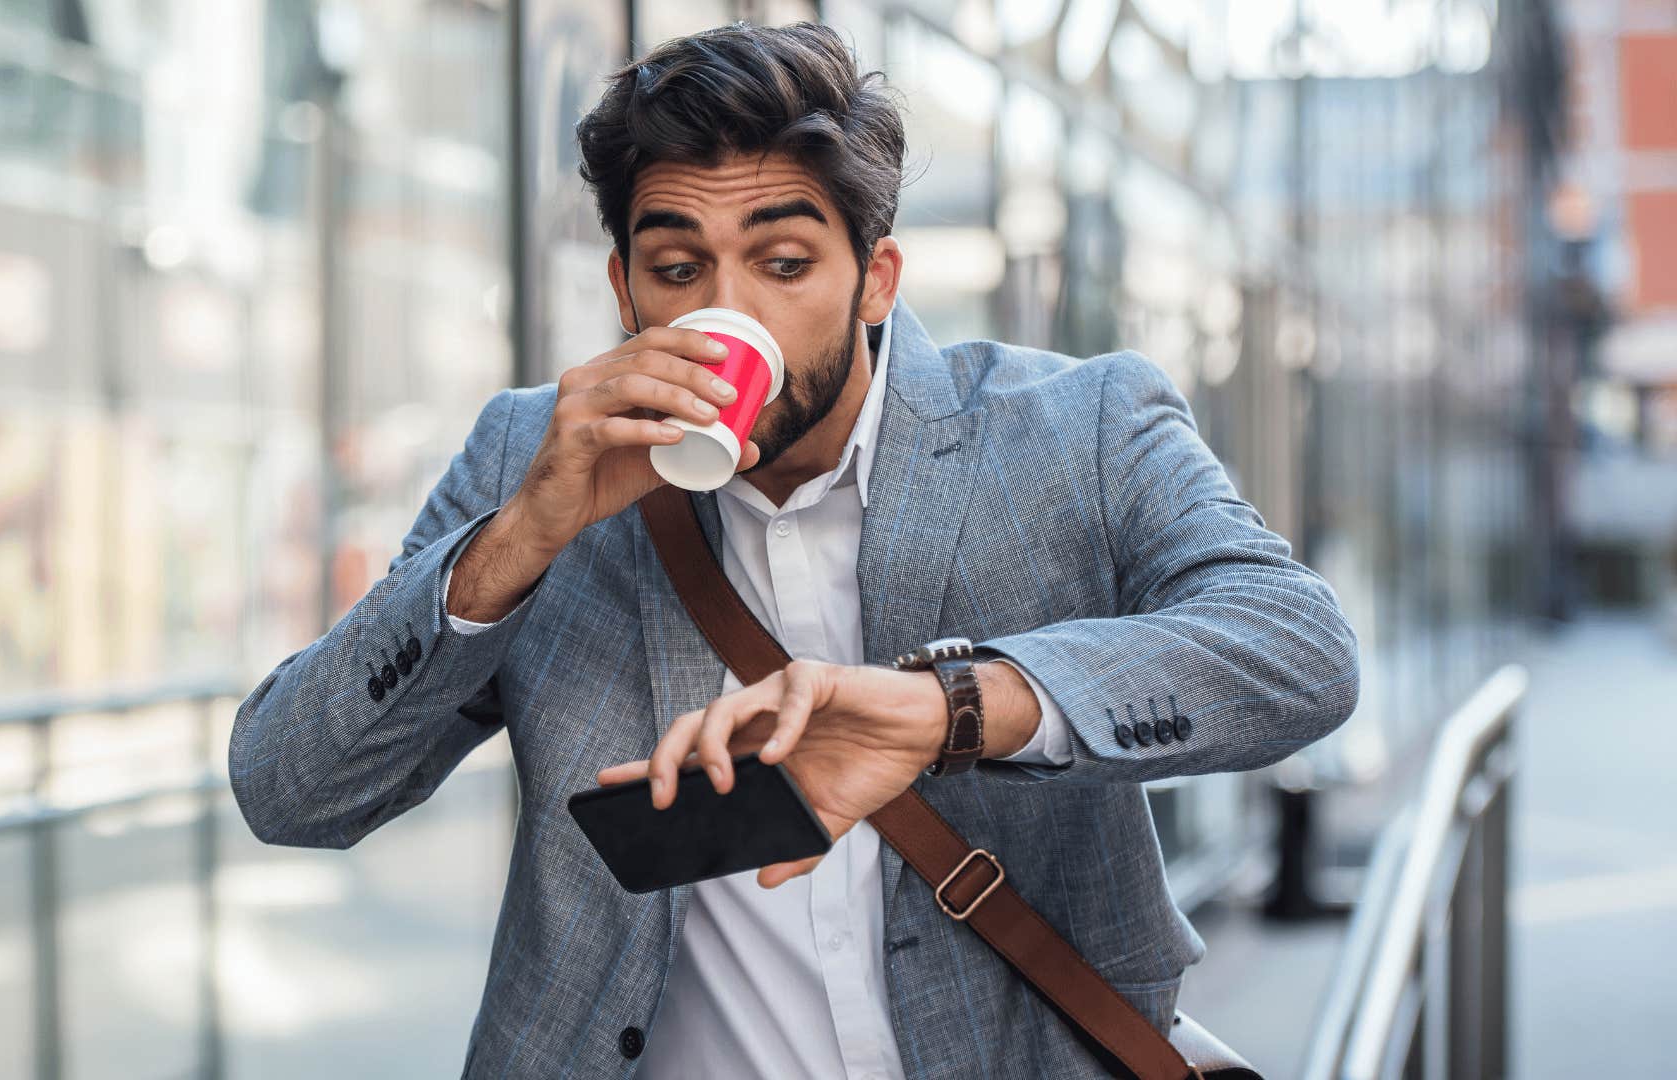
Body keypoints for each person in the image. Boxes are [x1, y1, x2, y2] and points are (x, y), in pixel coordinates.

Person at [228, 20, 1359, 1079]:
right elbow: (293, 791)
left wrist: (954, 708)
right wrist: (524, 537)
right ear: (624, 289)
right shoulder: (534, 455)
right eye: (680, 271)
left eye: (783, 264)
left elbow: (1298, 650)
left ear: (874, 278)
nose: (731, 311)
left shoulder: (1077, 427)